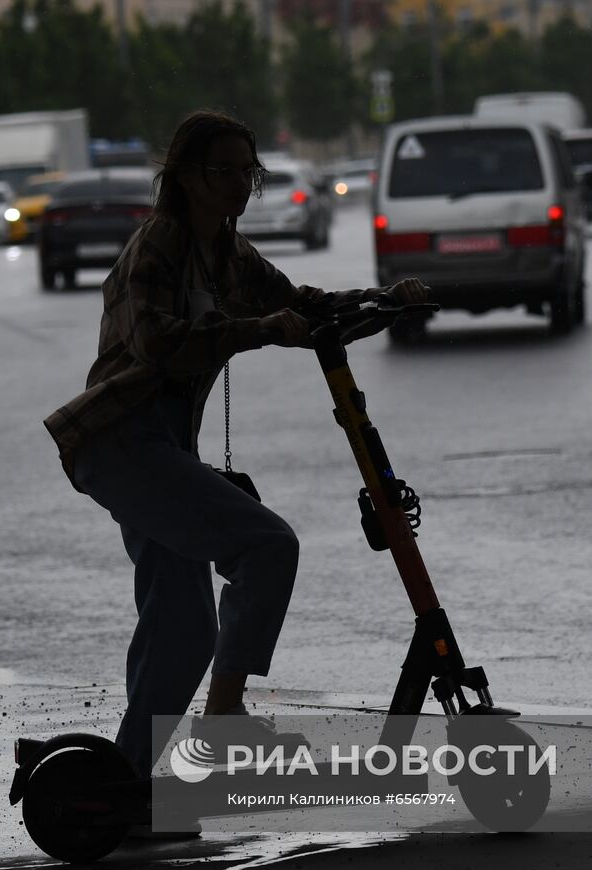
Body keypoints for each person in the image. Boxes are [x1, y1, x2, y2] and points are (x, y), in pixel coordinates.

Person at [43, 110, 428, 795]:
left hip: (160, 444)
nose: (239, 187)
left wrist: (381, 299)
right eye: (222, 172)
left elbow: (298, 304)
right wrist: (254, 331)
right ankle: (222, 717)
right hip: (121, 438)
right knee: (267, 545)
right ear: (185, 176)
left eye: (248, 172)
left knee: (184, 625)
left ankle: (124, 789)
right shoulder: (157, 245)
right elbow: (155, 341)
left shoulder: (226, 248)